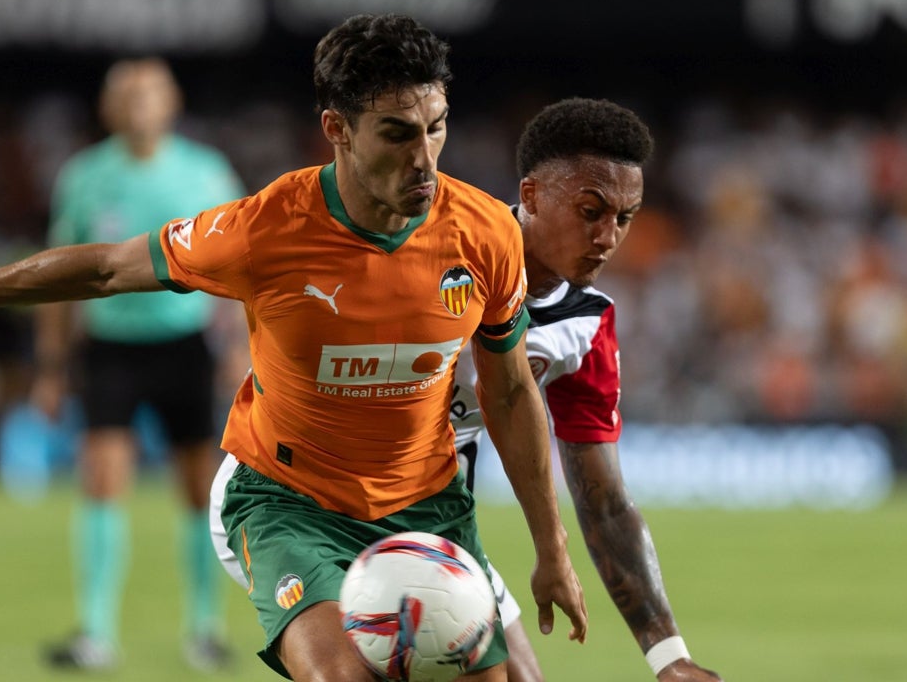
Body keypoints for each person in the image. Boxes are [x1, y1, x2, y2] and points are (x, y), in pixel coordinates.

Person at [0, 12, 587, 682]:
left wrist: (552, 549)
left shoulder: (486, 232)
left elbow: (512, 391)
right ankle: (105, 626)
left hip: (427, 504)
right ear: (337, 130)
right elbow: (101, 267)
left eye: (437, 127)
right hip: (292, 504)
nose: (424, 159)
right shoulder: (268, 228)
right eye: (396, 132)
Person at [210, 97, 723, 681]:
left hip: (427, 526)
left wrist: (668, 656)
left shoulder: (585, 326)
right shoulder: (432, 241)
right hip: (302, 504)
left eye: (624, 218)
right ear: (530, 196)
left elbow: (604, 499)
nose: (607, 236)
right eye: (590, 211)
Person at [30, 57, 245, 671]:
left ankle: (204, 628)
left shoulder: (206, 174)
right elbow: (59, 277)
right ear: (108, 108)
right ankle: (96, 632)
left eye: (148, 92)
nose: (137, 104)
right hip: (111, 349)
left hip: (185, 344)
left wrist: (238, 347)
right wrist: (49, 367)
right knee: (101, 479)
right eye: (125, 94)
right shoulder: (85, 177)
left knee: (199, 490)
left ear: (171, 103)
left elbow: (241, 268)